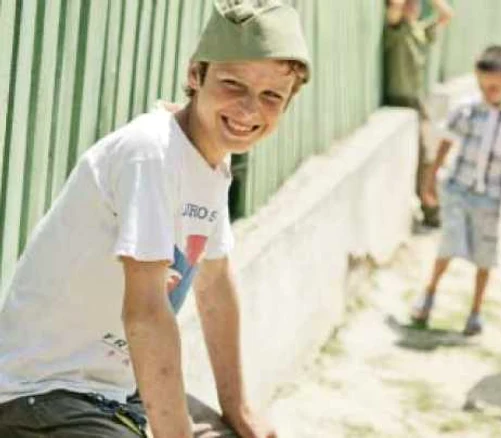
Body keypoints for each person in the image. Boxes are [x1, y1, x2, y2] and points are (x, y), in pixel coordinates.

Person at [0, 1, 310, 437]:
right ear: (194, 75)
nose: (247, 109)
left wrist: (239, 408)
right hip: (44, 393)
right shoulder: (150, 152)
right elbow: (145, 312)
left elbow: (215, 288)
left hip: (116, 392)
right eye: (231, 84)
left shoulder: (210, 166)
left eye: (271, 96)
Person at [410, 46, 501, 335]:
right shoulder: (465, 111)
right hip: (457, 188)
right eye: (483, 84)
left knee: (485, 254)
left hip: (490, 196)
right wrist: (430, 181)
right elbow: (445, 145)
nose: (487, 90)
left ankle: (476, 312)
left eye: (493, 86)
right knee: (449, 244)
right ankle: (428, 296)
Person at [384, 0, 453, 228]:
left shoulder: (418, 30)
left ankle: (430, 205)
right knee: (427, 155)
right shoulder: (397, 27)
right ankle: (429, 205)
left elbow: (446, 15)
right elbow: (394, 8)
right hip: (400, 100)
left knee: (430, 156)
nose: (413, 6)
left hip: (417, 102)